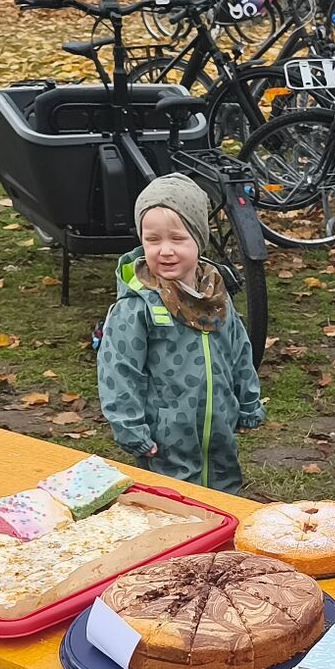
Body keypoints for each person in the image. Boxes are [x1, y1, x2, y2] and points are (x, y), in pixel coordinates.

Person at [98, 176, 265, 493]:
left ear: (199, 239)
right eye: (152, 240)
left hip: (219, 426)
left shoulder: (215, 295)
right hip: (166, 437)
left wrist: (247, 402)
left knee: (225, 493)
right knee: (176, 504)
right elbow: (118, 370)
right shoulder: (138, 305)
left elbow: (239, 350)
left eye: (177, 239)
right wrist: (130, 427)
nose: (165, 251)